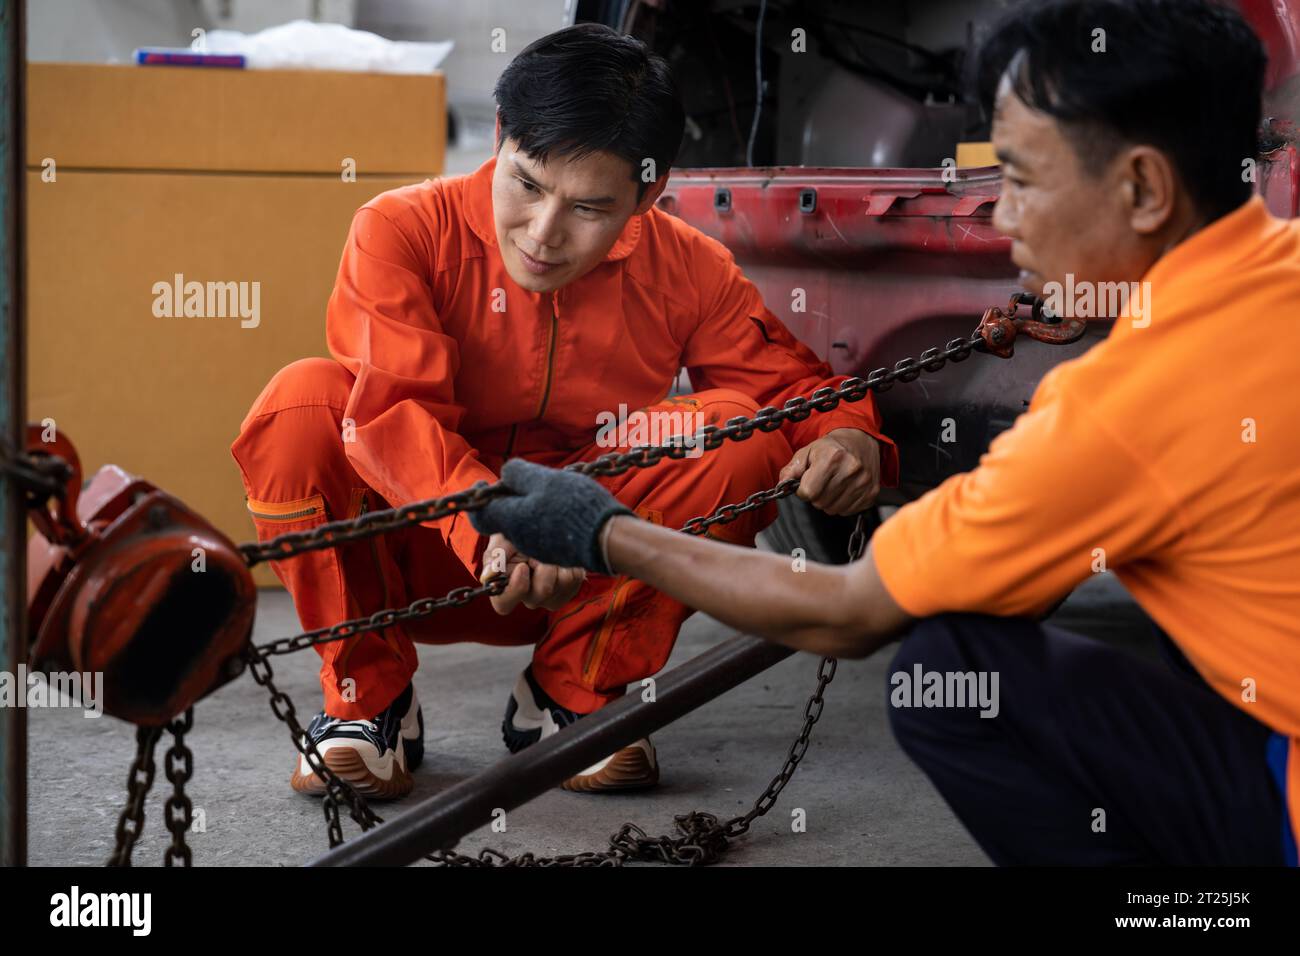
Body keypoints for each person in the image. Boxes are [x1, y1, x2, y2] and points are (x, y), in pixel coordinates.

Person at [470, 0, 1300, 865]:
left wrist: (605, 532)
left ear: (1142, 188)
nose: (1003, 217)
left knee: (950, 672)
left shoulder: (1121, 408)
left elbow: (853, 611)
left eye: (1020, 179)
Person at [230, 23, 895, 799]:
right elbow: (394, 411)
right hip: (418, 559)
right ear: (502, 138)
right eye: (527, 185)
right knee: (302, 403)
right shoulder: (400, 229)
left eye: (588, 206)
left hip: (585, 566)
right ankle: (368, 703)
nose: (543, 235)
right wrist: (488, 527)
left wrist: (849, 433)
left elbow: (788, 385)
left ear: (648, 194)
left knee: (728, 434)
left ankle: (572, 695)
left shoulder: (691, 265)